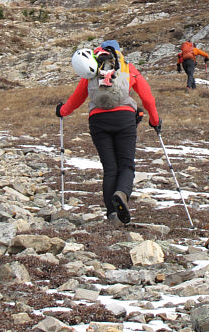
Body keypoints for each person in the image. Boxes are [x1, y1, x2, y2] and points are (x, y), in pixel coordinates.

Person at [55, 39, 162, 225]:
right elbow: (147, 98)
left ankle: (113, 214)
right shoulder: (127, 67)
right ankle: (122, 194)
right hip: (124, 118)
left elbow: (77, 98)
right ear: (118, 52)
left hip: (98, 121)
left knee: (110, 169)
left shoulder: (92, 69)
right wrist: (154, 120)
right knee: (126, 165)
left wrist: (62, 111)